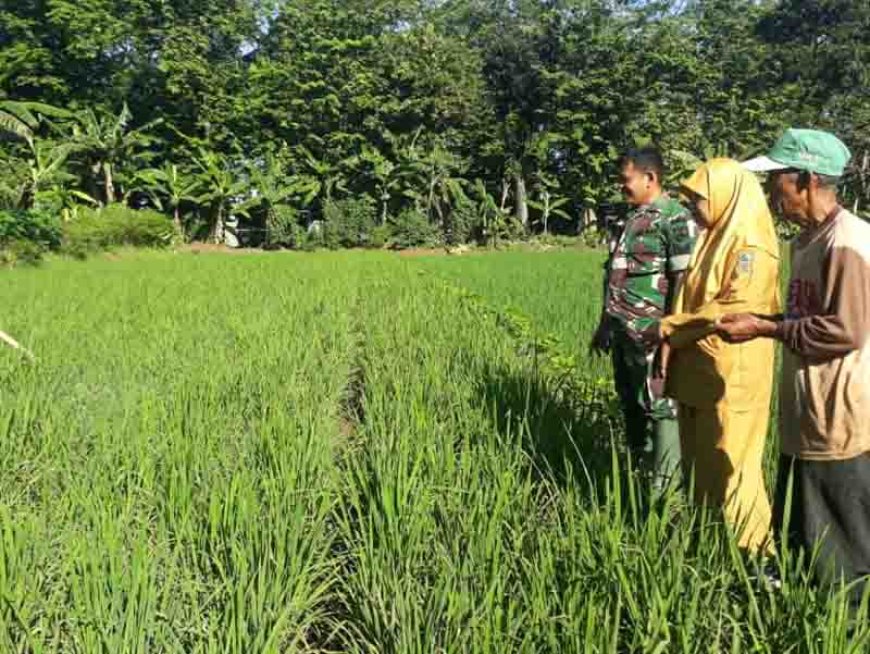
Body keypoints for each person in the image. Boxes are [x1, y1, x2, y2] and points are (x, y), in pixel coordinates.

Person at [718, 129, 870, 590]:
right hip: (807, 410)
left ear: (805, 180)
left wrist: (765, 328)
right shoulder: (807, 240)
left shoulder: (846, 241)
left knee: (844, 541)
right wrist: (768, 319)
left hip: (840, 414)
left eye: (776, 180)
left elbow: (845, 328)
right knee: (805, 528)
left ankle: (844, 626)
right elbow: (810, 315)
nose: (770, 191)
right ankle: (806, 605)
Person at [658, 158, 781, 553]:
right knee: (701, 467)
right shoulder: (713, 238)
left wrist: (671, 328)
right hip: (699, 373)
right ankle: (710, 548)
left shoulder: (750, 246)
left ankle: (753, 556)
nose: (693, 207)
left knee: (733, 468)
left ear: (727, 195)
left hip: (732, 377)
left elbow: (736, 308)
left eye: (699, 199)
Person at [591, 146, 697, 487]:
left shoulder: (675, 219)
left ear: (650, 178)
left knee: (661, 408)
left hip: (653, 335)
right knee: (632, 403)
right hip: (624, 335)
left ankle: (667, 495)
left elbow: (684, 284)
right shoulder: (629, 220)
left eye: (627, 180)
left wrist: (671, 338)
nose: (622, 186)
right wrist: (604, 325)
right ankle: (640, 475)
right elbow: (616, 276)